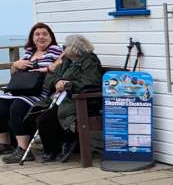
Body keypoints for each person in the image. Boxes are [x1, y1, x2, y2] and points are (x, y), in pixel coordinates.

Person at [0, 23, 63, 163]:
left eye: (44, 34)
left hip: (40, 92)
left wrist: (47, 68)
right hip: (21, 89)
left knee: (17, 106)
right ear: (32, 38)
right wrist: (15, 65)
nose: (41, 37)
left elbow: (61, 63)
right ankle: (5, 144)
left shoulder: (56, 51)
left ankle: (23, 150)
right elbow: (14, 75)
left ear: (51, 37)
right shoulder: (29, 53)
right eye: (37, 34)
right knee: (1, 104)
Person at [35, 34, 102, 163]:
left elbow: (91, 81)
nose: (63, 48)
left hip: (80, 101)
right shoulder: (67, 60)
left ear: (75, 48)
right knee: (40, 114)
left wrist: (68, 84)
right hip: (63, 99)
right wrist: (57, 82)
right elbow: (51, 76)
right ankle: (52, 149)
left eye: (65, 46)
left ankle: (58, 147)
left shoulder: (90, 61)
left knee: (47, 118)